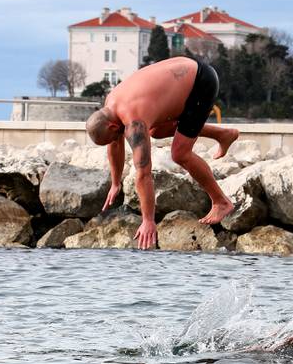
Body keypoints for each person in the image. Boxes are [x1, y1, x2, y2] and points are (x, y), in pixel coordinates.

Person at [86, 57, 239, 249]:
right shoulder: (111, 103)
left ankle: (221, 202)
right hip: (185, 72)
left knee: (180, 154)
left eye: (115, 135)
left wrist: (148, 220)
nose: (119, 139)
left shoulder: (135, 122)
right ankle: (223, 134)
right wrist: (115, 183)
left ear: (112, 125)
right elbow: (115, 144)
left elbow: (143, 173)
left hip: (200, 84)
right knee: (155, 132)